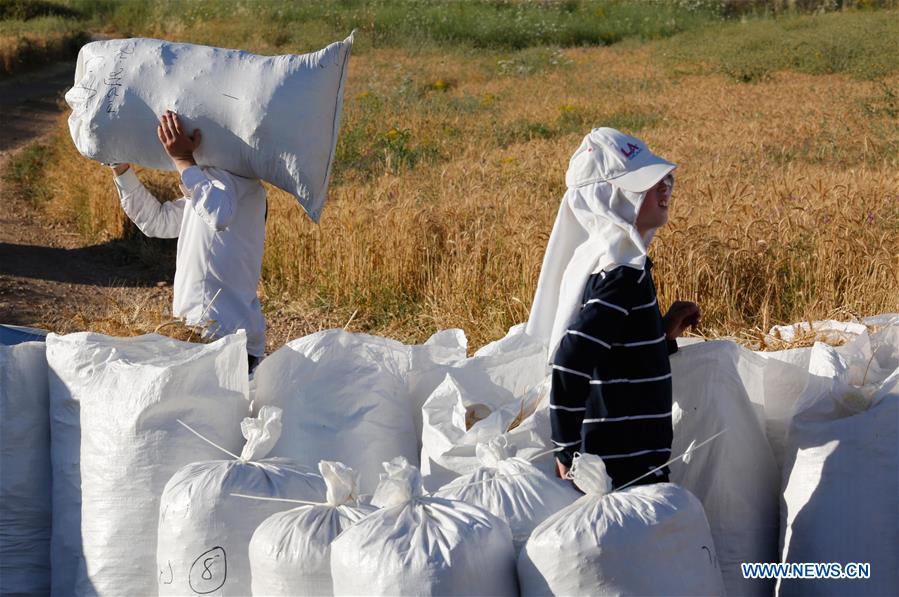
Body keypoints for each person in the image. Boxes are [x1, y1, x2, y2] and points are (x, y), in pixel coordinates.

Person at [525, 127, 700, 488]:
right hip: (622, 465)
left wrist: (662, 335)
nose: (665, 187)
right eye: (647, 184)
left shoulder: (613, 263)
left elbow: (612, 354)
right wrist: (566, 451)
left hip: (620, 457)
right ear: (610, 199)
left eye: (664, 179)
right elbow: (570, 359)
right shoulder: (621, 275)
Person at [109, 111, 267, 373]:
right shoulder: (210, 186)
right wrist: (121, 170)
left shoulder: (241, 183)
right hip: (199, 333)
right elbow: (156, 221)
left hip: (224, 339)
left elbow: (217, 214)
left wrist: (183, 160)